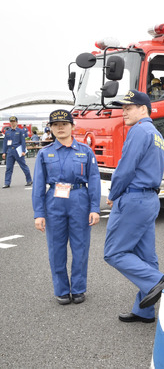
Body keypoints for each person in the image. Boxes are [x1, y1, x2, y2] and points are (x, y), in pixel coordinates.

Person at [103, 90, 164, 324]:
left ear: (143, 109)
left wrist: (113, 194)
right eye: (123, 108)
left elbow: (126, 168)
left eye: (128, 108)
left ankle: (157, 282)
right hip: (149, 199)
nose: (124, 112)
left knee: (114, 252)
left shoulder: (139, 130)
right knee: (146, 256)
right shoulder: (156, 134)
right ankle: (144, 311)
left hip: (133, 199)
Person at [32, 110, 101, 305]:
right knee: (56, 248)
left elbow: (94, 180)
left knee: (80, 246)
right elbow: (38, 185)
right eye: (55, 125)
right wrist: (39, 213)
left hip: (79, 198)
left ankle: (78, 288)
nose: (60, 127)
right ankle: (61, 289)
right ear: (51, 128)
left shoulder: (85, 151)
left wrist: (95, 208)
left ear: (73, 126)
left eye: (64, 123)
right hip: (54, 201)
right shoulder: (45, 153)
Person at [2, 116, 32, 188]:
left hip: (18, 150)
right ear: (10, 122)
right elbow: (5, 142)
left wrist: (23, 151)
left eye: (14, 121)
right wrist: (4, 152)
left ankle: (29, 180)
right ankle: (7, 183)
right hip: (10, 151)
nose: (12, 123)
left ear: (16, 122)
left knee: (23, 166)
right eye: (11, 121)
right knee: (8, 168)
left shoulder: (20, 131)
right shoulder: (7, 132)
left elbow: (23, 142)